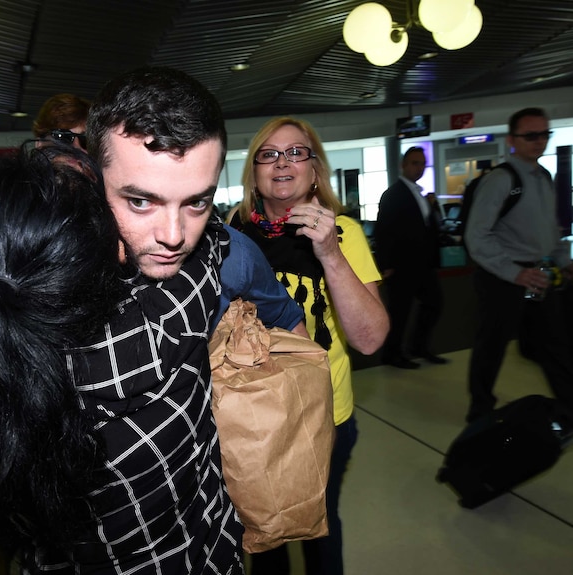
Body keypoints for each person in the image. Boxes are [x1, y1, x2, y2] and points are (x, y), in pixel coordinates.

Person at [0, 67, 308, 575]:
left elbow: (289, 322)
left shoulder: (227, 254)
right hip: (71, 558)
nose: (174, 234)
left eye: (197, 202)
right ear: (91, 174)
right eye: (141, 200)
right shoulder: (31, 268)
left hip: (207, 549)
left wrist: (283, 433)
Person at [227, 116, 388, 575]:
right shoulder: (232, 232)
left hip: (323, 415)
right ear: (255, 172)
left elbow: (370, 339)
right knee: (263, 538)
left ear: (315, 169)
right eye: (269, 154)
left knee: (319, 532)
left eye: (297, 152)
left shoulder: (343, 233)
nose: (283, 163)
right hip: (252, 415)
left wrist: (330, 253)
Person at [464, 107, 573, 422]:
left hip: (539, 273)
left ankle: (568, 402)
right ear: (512, 140)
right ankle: (480, 408)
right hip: (503, 276)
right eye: (530, 135)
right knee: (492, 345)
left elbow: (549, 230)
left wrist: (564, 261)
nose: (539, 141)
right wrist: (515, 272)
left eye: (544, 134)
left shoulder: (544, 177)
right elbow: (478, 236)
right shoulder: (500, 180)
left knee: (555, 342)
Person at [374, 146, 447, 369]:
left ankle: (418, 346)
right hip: (402, 265)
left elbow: (428, 227)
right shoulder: (393, 194)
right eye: (415, 163)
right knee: (399, 312)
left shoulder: (422, 194)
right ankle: (392, 354)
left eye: (422, 164)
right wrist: (385, 264)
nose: (419, 168)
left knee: (434, 303)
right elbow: (384, 230)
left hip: (423, 264)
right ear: (404, 165)